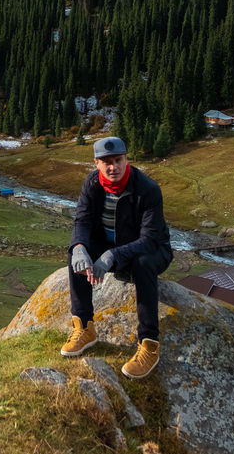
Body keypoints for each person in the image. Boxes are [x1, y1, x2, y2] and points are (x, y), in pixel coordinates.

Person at [60, 136, 173, 378]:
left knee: (143, 264)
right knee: (77, 255)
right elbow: (82, 220)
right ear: (96, 164)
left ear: (126, 159)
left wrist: (113, 255)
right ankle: (84, 326)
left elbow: (150, 239)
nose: (113, 167)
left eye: (118, 160)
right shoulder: (92, 184)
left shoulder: (148, 190)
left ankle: (149, 344)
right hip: (113, 245)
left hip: (151, 250)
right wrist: (79, 246)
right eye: (106, 162)